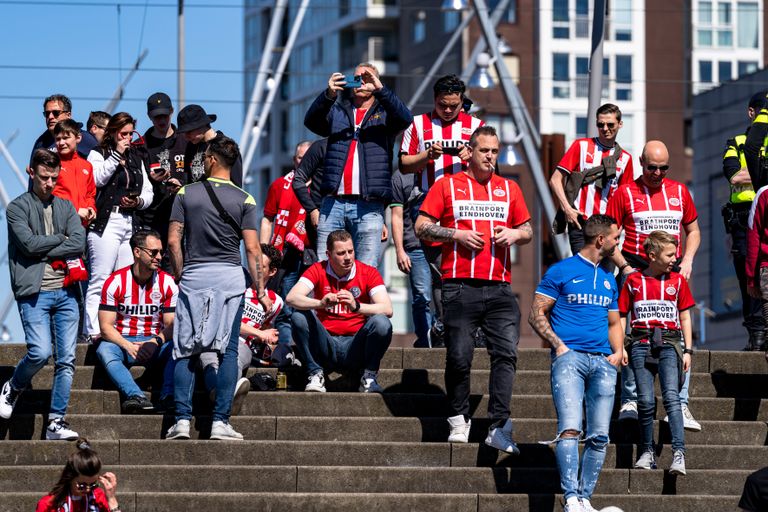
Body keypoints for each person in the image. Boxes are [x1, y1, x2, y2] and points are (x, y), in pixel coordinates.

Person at [415, 125, 532, 452]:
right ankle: (457, 416)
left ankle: (498, 425)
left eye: (495, 151)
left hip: (499, 288)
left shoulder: (509, 188)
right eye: (485, 151)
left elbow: (528, 230)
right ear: (471, 151)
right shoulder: (447, 185)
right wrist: (456, 235)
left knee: (507, 353)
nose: (491, 157)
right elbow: (421, 227)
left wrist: (514, 235)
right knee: (459, 357)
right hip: (459, 286)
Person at [166, 135, 270, 441]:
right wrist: (261, 289)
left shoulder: (186, 192)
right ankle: (220, 422)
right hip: (230, 278)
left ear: (211, 159)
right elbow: (252, 249)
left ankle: (182, 421)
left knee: (185, 349)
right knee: (228, 351)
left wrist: (179, 273)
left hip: (195, 275)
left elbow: (173, 240)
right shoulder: (246, 199)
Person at [529, 214, 624, 512]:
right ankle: (571, 497)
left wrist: (618, 352)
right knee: (570, 429)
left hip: (603, 362)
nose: (618, 242)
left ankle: (585, 498)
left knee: (600, 435)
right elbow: (536, 313)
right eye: (615, 237)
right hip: (570, 360)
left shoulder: (609, 277)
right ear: (601, 240)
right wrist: (559, 346)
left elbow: (613, 321)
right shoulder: (561, 271)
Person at [607, 140, 701, 430]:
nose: (658, 173)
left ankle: (681, 403)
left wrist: (687, 261)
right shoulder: (625, 193)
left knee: (680, 333)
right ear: (640, 162)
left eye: (663, 168)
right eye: (652, 167)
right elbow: (607, 236)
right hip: (637, 271)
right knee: (634, 335)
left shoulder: (679, 191)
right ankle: (631, 399)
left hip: (672, 272)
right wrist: (624, 266)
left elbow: (693, 230)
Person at [0, 149, 86, 440]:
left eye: (53, 177)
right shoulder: (16, 208)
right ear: (31, 173)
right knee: (39, 352)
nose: (49, 183)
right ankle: (13, 386)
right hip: (34, 292)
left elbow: (79, 242)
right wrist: (60, 241)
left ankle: (55, 422)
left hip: (66, 292)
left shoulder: (66, 207)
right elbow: (27, 244)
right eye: (44, 177)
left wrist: (48, 246)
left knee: (66, 361)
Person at [398, 75, 484, 346]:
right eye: (442, 105)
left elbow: (491, 166)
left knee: (468, 270)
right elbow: (403, 164)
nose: (447, 110)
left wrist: (472, 159)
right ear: (434, 100)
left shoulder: (476, 126)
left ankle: (464, 327)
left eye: (453, 105)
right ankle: (441, 328)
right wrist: (428, 156)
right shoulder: (418, 124)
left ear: (462, 102)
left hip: (467, 205)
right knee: (438, 271)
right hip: (428, 203)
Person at [303, 63, 412, 266]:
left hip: (369, 204)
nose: (361, 82)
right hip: (333, 203)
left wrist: (380, 89)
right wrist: (328, 95)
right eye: (356, 78)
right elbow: (311, 122)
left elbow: (405, 119)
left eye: (367, 77)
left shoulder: (386, 114)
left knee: (366, 269)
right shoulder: (337, 111)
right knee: (325, 266)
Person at [619, 230, 694, 476]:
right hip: (640, 343)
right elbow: (621, 315)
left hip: (670, 343)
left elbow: (685, 315)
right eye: (670, 254)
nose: (675, 258)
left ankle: (679, 453)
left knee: (672, 397)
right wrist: (620, 347)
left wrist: (688, 350)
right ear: (652, 255)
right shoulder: (633, 281)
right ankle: (646, 451)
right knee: (645, 401)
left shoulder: (678, 281)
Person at [287, 229, 393, 393]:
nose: (348, 257)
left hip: (355, 345)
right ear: (328, 254)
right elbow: (292, 297)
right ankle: (315, 373)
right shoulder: (318, 269)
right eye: (341, 253)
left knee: (382, 322)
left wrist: (356, 306)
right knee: (299, 316)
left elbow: (387, 308)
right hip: (326, 344)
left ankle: (369, 376)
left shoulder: (368, 272)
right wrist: (320, 303)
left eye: (351, 251)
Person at [82, 112, 153, 342]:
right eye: (123, 134)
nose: (127, 139)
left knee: (126, 279)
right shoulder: (98, 153)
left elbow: (148, 190)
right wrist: (116, 154)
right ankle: (93, 330)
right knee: (100, 278)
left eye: (131, 134)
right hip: (106, 222)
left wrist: (139, 201)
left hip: (129, 222)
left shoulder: (137, 157)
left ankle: (123, 328)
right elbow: (98, 179)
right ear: (113, 132)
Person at [96, 229, 177, 414]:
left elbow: (172, 324)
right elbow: (105, 327)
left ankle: (167, 397)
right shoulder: (115, 281)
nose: (159, 257)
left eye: (161, 252)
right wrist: (126, 345)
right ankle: (136, 396)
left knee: (179, 347)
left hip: (155, 340)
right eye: (153, 252)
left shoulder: (168, 282)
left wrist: (155, 341)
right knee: (104, 350)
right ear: (137, 252)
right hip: (123, 340)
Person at [199, 243, 283, 415]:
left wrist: (268, 339)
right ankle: (224, 396)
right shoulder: (234, 286)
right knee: (208, 360)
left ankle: (218, 394)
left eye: (261, 266)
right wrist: (260, 333)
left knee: (234, 361)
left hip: (242, 344)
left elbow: (265, 327)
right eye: (254, 263)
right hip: (214, 337)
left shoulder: (276, 302)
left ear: (272, 272)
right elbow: (225, 320)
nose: (255, 269)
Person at [550, 103, 635, 254]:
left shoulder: (626, 158)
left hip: (607, 228)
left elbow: (625, 198)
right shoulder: (580, 146)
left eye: (610, 124)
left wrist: (618, 229)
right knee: (585, 272)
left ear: (620, 124)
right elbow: (555, 179)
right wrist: (568, 209)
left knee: (605, 275)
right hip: (580, 223)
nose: (605, 128)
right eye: (600, 124)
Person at [724, 92, 767, 350]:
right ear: (751, 112)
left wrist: (751, 170)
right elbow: (732, 176)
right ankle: (756, 334)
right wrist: (761, 169)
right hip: (743, 217)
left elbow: (743, 175)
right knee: (748, 275)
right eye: (761, 110)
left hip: (766, 209)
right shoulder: (738, 142)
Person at [261, 140, 312, 346]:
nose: (304, 162)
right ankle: (286, 351)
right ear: (294, 160)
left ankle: (309, 350)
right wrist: (264, 251)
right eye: (300, 158)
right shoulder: (280, 185)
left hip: (313, 254)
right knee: (286, 307)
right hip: (285, 255)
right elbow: (267, 219)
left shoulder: (323, 186)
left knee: (312, 307)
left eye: (308, 158)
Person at [137, 92, 186, 264]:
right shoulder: (141, 146)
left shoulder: (185, 140)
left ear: (171, 112)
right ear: (149, 116)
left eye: (164, 115)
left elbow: (197, 174)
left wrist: (182, 184)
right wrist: (150, 181)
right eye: (157, 116)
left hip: (182, 216)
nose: (161, 120)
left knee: (181, 267)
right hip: (153, 219)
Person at [390, 169, 434, 348]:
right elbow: (396, 216)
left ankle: (441, 338)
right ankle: (425, 341)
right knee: (422, 296)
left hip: (446, 244)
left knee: (447, 295)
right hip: (415, 246)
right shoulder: (400, 176)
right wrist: (399, 250)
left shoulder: (442, 167)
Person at [36, 439, 119, 512]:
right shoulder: (48, 504)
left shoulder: (98, 497)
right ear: (70, 478)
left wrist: (111, 499)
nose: (88, 489)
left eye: (93, 485)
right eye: (82, 485)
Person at [178, 104, 243, 187]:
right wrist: (179, 185)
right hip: (194, 199)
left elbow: (236, 187)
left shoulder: (226, 146)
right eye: (183, 132)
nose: (186, 137)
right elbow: (187, 181)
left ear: (202, 125)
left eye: (189, 131)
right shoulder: (191, 147)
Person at [52, 119, 97, 227]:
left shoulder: (87, 166)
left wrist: (91, 208)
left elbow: (90, 194)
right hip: (59, 225)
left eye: (66, 138)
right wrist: (75, 210)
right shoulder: (51, 163)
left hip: (81, 226)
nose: (61, 143)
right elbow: (49, 196)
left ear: (78, 138)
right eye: (58, 139)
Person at [31, 94, 99, 162]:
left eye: (56, 113)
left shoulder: (85, 139)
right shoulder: (41, 142)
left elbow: (98, 168)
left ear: (68, 115)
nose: (50, 117)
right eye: (47, 113)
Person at [746, 182, 768, 361]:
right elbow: (754, 237)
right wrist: (752, 279)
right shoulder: (764, 193)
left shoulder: (763, 193)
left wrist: (752, 279)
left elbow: (754, 235)